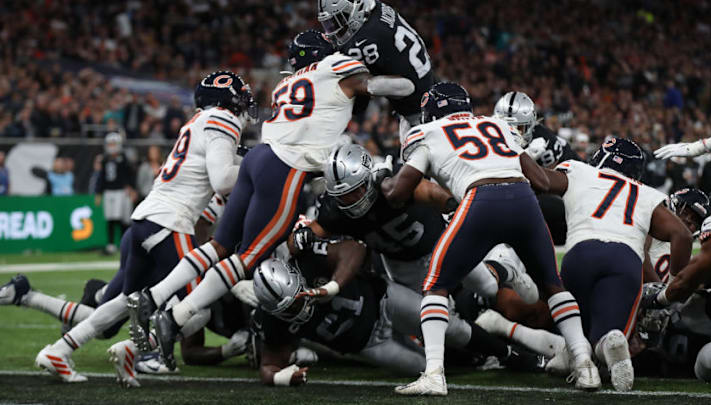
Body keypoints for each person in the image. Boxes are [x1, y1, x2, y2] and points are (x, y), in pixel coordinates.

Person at [130, 30, 417, 369]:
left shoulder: (287, 84)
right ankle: (175, 318)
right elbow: (404, 88)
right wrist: (383, 76)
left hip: (258, 159)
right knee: (248, 258)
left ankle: (154, 296)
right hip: (285, 169)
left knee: (220, 246)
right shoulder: (335, 68)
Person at [33, 70, 255, 384]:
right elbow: (222, 181)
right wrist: (255, 167)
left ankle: (59, 351)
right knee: (196, 309)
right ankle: (135, 351)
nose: (245, 105)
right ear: (227, 101)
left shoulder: (197, 123)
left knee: (127, 301)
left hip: (145, 218)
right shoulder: (223, 119)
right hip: (170, 221)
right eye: (241, 98)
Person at [380, 82, 598, 395]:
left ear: (432, 111)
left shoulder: (424, 133)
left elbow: (399, 193)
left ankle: (434, 374)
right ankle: (585, 365)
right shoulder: (497, 125)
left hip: (480, 200)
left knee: (435, 285)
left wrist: (384, 179)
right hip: (524, 200)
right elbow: (539, 179)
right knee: (553, 286)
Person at [253, 243, 545, 387]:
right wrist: (281, 377)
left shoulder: (308, 263)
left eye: (297, 299)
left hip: (383, 300)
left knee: (449, 327)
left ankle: (508, 353)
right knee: (427, 368)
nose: (297, 308)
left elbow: (354, 249)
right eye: (287, 309)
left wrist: (333, 285)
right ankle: (480, 357)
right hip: (368, 344)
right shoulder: (271, 321)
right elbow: (268, 364)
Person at [292, 143, 538, 301]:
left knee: (487, 288)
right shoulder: (335, 210)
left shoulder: (390, 183)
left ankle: (504, 264)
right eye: (342, 195)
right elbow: (309, 233)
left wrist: (454, 208)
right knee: (432, 310)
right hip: (401, 264)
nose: (351, 201)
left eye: (354, 191)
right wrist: (302, 235)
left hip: (438, 242)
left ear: (368, 178)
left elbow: (430, 192)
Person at [542, 138, 692, 391]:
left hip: (581, 253)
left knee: (577, 331)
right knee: (607, 333)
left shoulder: (579, 171)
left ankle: (578, 357)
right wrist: (674, 282)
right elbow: (683, 235)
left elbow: (542, 181)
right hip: (625, 262)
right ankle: (607, 345)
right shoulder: (647, 193)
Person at [318, 0, 434, 131]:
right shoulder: (376, 8)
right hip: (424, 79)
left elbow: (360, 103)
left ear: (357, 8)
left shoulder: (365, 40)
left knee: (355, 82)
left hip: (414, 95)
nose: (334, 29)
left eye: (339, 19)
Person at [493, 91, 580, 244]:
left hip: (570, 190)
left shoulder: (545, 143)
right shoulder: (492, 137)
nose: (511, 133)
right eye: (505, 127)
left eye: (517, 128)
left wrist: (526, 161)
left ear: (530, 125)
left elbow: (551, 186)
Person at [96, 132, 136, 254]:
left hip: (121, 191)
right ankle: (111, 244)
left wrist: (131, 188)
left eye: (113, 143)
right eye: (110, 144)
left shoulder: (123, 158)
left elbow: (129, 175)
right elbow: (101, 177)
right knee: (110, 218)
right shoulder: (104, 159)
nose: (111, 146)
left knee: (122, 218)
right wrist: (99, 192)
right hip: (109, 191)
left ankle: (124, 243)